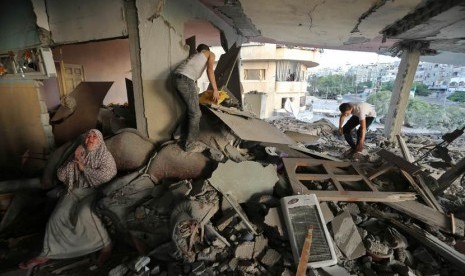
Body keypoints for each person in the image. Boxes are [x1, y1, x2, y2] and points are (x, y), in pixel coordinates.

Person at [20, 129, 117, 269]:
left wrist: (85, 169)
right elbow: (61, 175)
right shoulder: (79, 151)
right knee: (57, 217)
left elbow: (108, 175)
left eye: (94, 137)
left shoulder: (105, 156)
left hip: (94, 191)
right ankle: (48, 253)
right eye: (88, 136)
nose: (90, 139)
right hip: (75, 190)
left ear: (100, 140)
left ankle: (106, 246)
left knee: (85, 214)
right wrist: (74, 160)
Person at [173, 43, 219, 152]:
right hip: (185, 80)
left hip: (176, 79)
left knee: (191, 110)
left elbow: (190, 74)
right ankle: (190, 145)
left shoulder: (195, 57)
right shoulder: (210, 53)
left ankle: (177, 134)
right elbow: (210, 70)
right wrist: (215, 90)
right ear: (206, 50)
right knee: (196, 114)